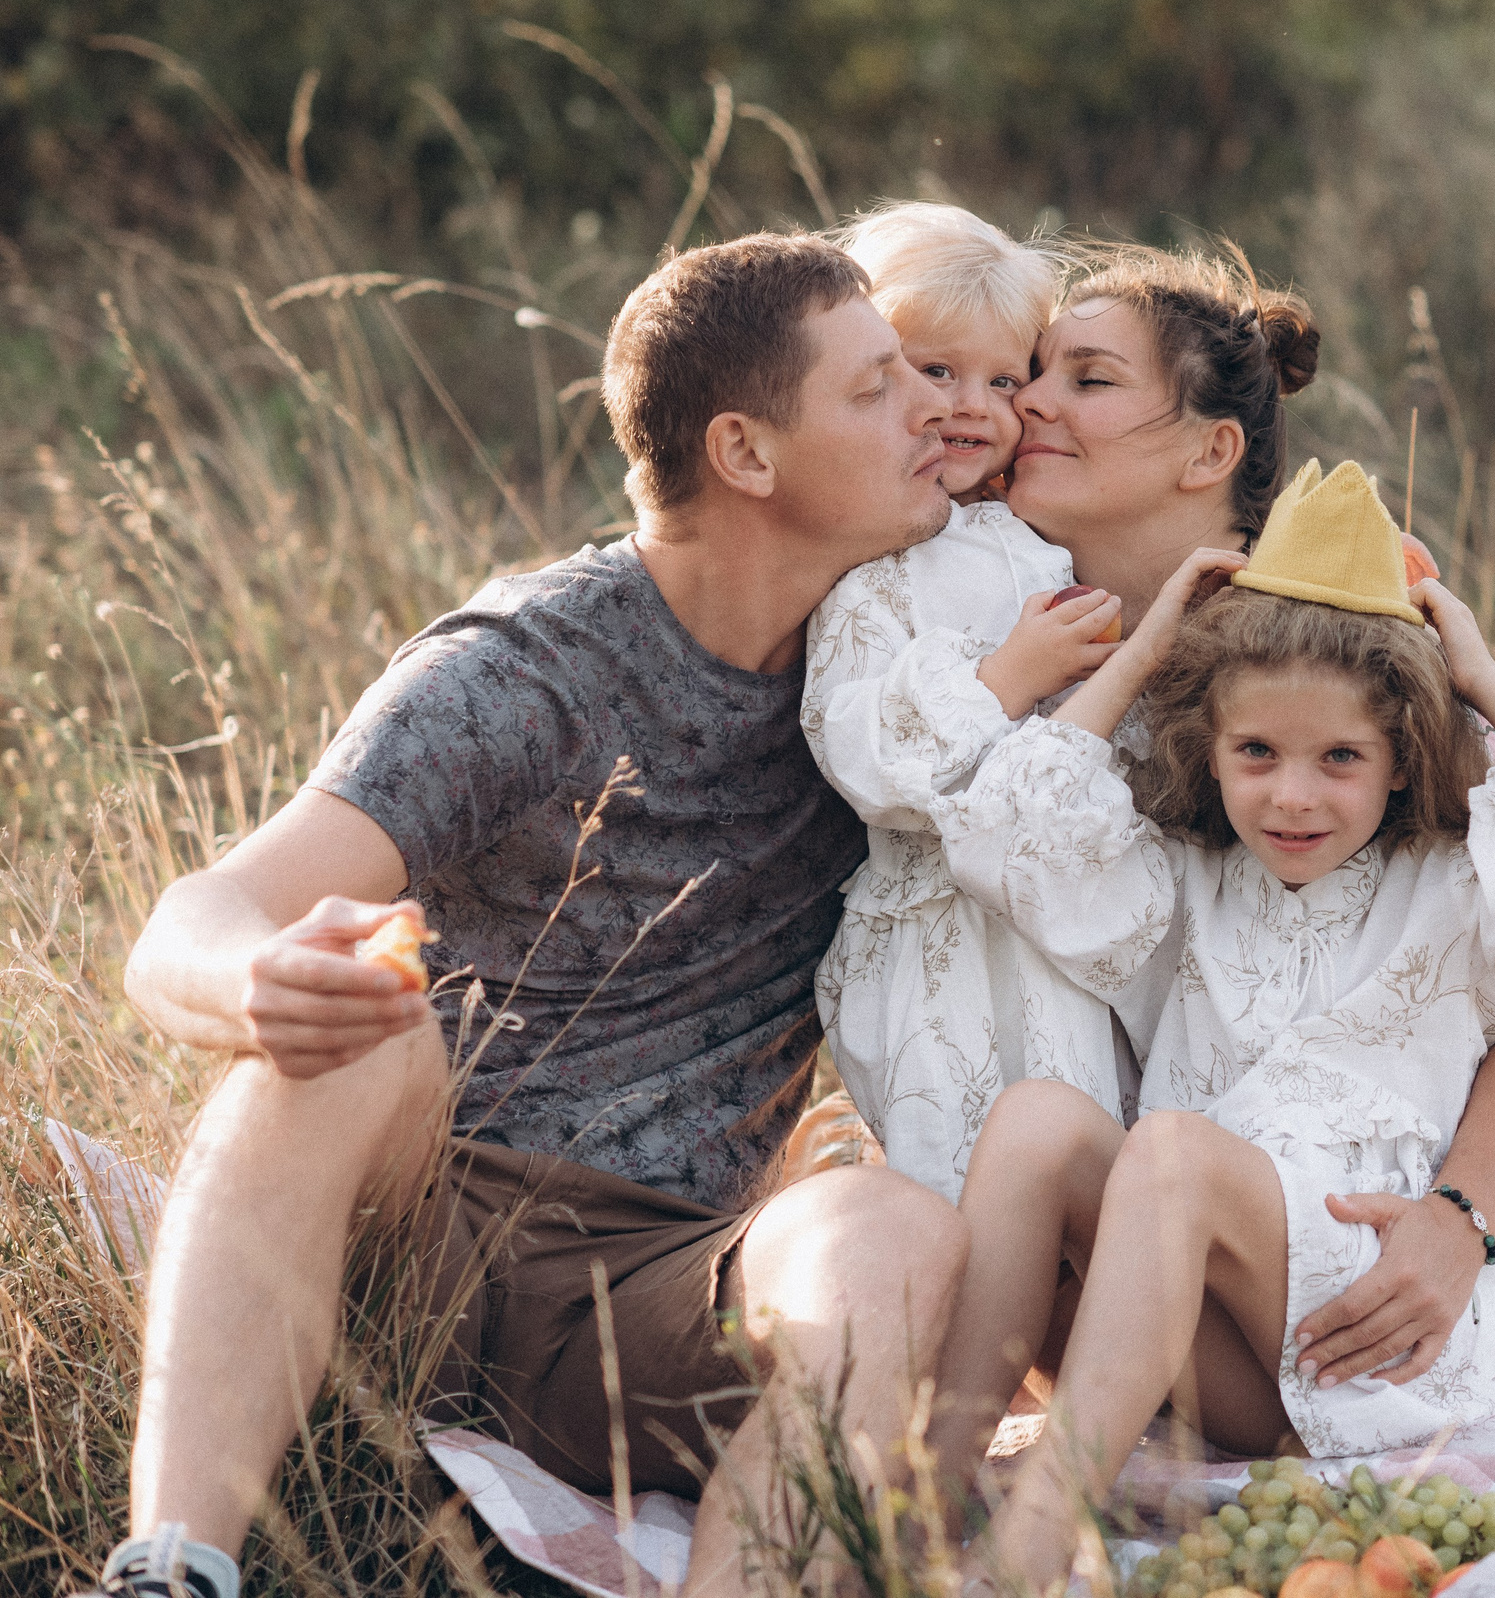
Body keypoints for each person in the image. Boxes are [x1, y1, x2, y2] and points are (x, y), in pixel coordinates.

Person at [88, 234, 970, 1598]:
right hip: (413, 1234)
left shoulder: (900, 677)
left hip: (655, 1296)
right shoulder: (529, 669)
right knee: (361, 1039)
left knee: (888, 1229)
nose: (933, 406)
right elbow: (190, 923)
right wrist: (258, 979)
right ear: (746, 453)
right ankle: (170, 1570)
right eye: (876, 388)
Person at [938, 464, 1495, 1590]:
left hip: (1395, 1326)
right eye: (1255, 752)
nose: (1291, 797)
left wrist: (1476, 670)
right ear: (1208, 749)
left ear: (1401, 754)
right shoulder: (1180, 883)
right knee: (1037, 1124)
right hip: (1235, 1338)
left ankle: (1030, 1546)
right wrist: (1145, 649)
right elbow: (1004, 829)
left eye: (1339, 759)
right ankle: (915, 1489)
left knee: (1171, 1152)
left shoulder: (1461, 883)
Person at [799, 201, 1129, 1201]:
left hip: (1055, 913)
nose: (973, 407)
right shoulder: (870, 566)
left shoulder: (1035, 536)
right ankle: (949, 1333)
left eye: (1005, 377)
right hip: (937, 930)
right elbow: (857, 750)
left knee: (1081, 1134)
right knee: (955, 1156)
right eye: (935, 371)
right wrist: (1004, 680)